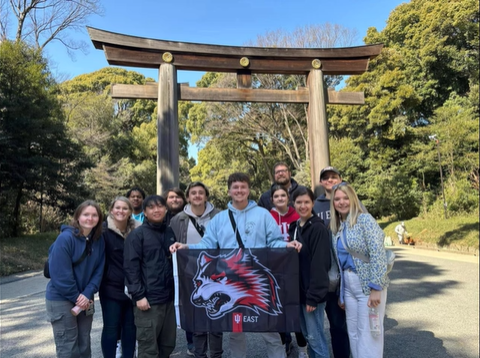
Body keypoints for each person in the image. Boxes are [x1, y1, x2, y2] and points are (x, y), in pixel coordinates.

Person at [170, 172, 302, 358]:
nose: (239, 191)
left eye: (243, 187)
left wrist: (287, 245)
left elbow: (274, 242)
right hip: (229, 284)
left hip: (254, 282)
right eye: (235, 187)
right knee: (236, 331)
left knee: (270, 331)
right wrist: (185, 247)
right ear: (229, 191)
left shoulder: (263, 215)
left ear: (248, 190)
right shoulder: (220, 219)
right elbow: (207, 246)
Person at [330, 183, 389, 358]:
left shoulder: (365, 220)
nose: (342, 202)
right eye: (337, 199)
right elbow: (340, 263)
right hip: (348, 287)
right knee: (353, 334)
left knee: (369, 335)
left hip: (367, 284)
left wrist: (376, 288)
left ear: (353, 198)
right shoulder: (339, 226)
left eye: (346, 197)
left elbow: (378, 253)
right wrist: (341, 293)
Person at [45, 200, 105, 358]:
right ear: (78, 216)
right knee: (68, 346)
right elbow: (60, 274)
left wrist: (88, 293)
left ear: (99, 218)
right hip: (61, 298)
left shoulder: (99, 240)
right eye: (86, 214)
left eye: (94, 215)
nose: (90, 218)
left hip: (86, 298)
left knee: (84, 342)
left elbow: (99, 270)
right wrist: (77, 297)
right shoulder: (65, 239)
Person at [170, 181, 223, 358]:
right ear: (188, 197)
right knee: (196, 317)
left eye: (201, 192)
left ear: (206, 196)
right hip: (190, 275)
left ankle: (216, 353)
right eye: (194, 193)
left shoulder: (219, 216)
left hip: (216, 274)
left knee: (216, 316)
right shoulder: (177, 220)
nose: (197, 196)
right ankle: (199, 353)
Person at [124, 195, 177, 358]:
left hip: (168, 300)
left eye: (160, 206)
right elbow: (130, 267)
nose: (156, 210)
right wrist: (138, 295)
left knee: (167, 345)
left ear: (165, 209)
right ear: (145, 212)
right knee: (148, 348)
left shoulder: (169, 232)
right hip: (148, 302)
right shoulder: (137, 235)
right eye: (151, 207)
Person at [312, 166, 351, 358]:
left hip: (343, 275)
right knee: (315, 327)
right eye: (326, 178)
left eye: (334, 177)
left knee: (339, 325)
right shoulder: (314, 206)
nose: (330, 181)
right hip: (321, 275)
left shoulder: (350, 202)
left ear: (340, 179)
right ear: (321, 182)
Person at [289, 187, 331, 358]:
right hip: (299, 292)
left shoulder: (318, 229)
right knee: (308, 336)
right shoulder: (294, 227)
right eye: (299, 202)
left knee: (315, 338)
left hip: (312, 294)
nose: (303, 206)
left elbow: (320, 264)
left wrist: (313, 296)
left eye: (307, 202)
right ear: (293, 204)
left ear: (313, 203)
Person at [99, 196, 142, 358]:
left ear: (130, 212)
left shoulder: (138, 231)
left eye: (125, 208)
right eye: (117, 208)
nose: (121, 211)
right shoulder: (103, 231)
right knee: (111, 328)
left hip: (133, 287)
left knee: (130, 328)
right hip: (111, 288)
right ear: (111, 210)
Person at [269, 185, 307, 356]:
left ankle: (302, 348)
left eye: (283, 195)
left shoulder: (297, 215)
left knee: (294, 311)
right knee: (278, 312)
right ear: (272, 200)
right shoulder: (267, 217)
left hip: (294, 268)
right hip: (275, 270)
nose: (280, 199)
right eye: (276, 196)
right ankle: (284, 344)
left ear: (288, 198)